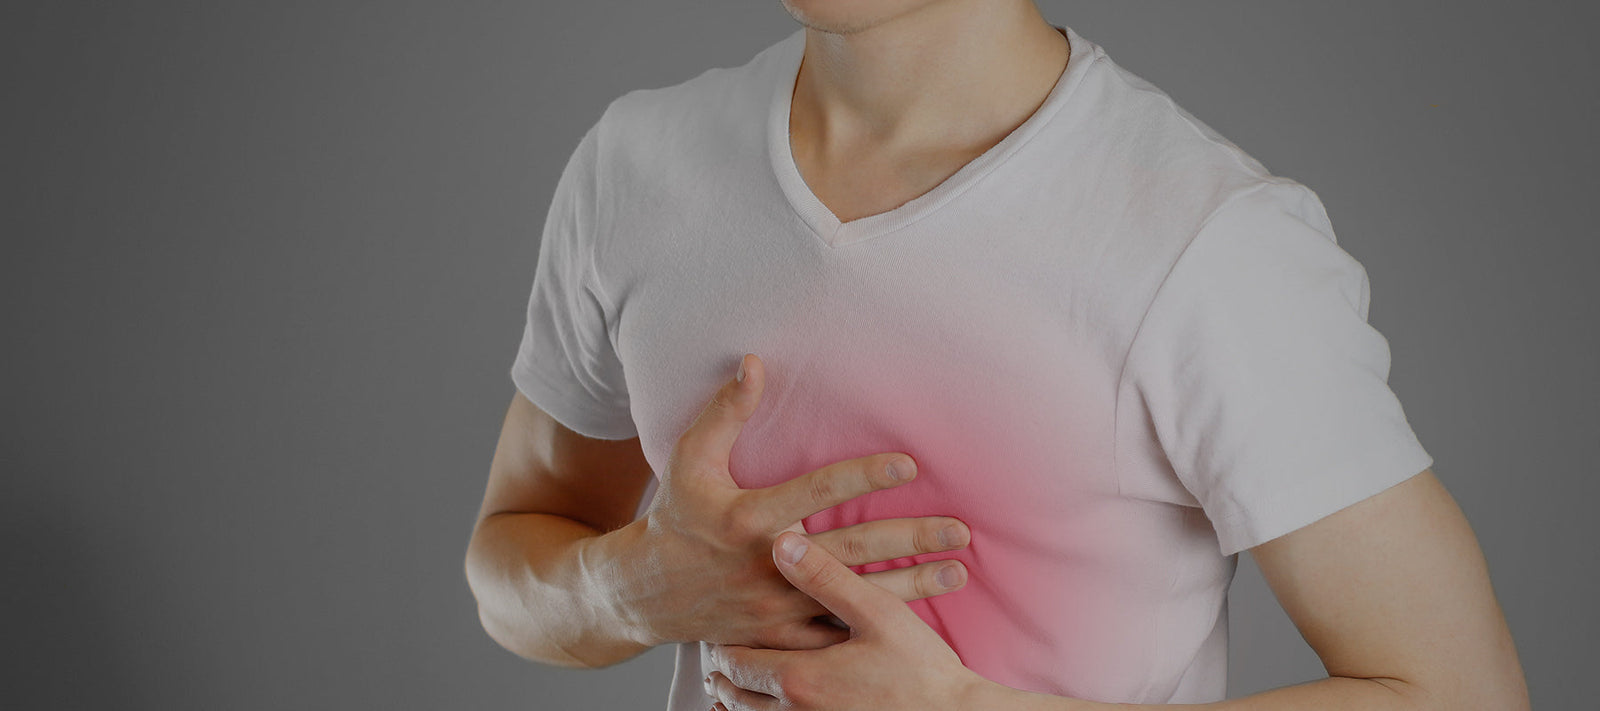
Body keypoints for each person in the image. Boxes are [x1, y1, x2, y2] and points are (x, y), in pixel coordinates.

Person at [464, 1, 1531, 708]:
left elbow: (1459, 692)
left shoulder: (1205, 236)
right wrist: (627, 590)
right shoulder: (635, 167)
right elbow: (511, 560)